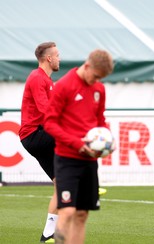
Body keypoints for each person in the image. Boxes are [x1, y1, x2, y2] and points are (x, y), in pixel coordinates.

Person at [44, 49, 114, 244]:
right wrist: (77, 144)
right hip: (67, 160)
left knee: (82, 214)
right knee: (66, 212)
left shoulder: (99, 88)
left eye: (101, 78)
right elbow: (49, 123)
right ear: (88, 65)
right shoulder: (64, 85)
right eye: (96, 76)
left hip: (90, 161)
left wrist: (108, 140)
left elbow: (99, 120)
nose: (96, 81)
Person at [19, 41, 60, 243]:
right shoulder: (37, 78)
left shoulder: (47, 80)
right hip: (34, 135)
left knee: (61, 185)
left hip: (38, 135)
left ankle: (47, 235)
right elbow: (46, 112)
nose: (60, 58)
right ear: (49, 58)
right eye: (58, 55)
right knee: (75, 138)